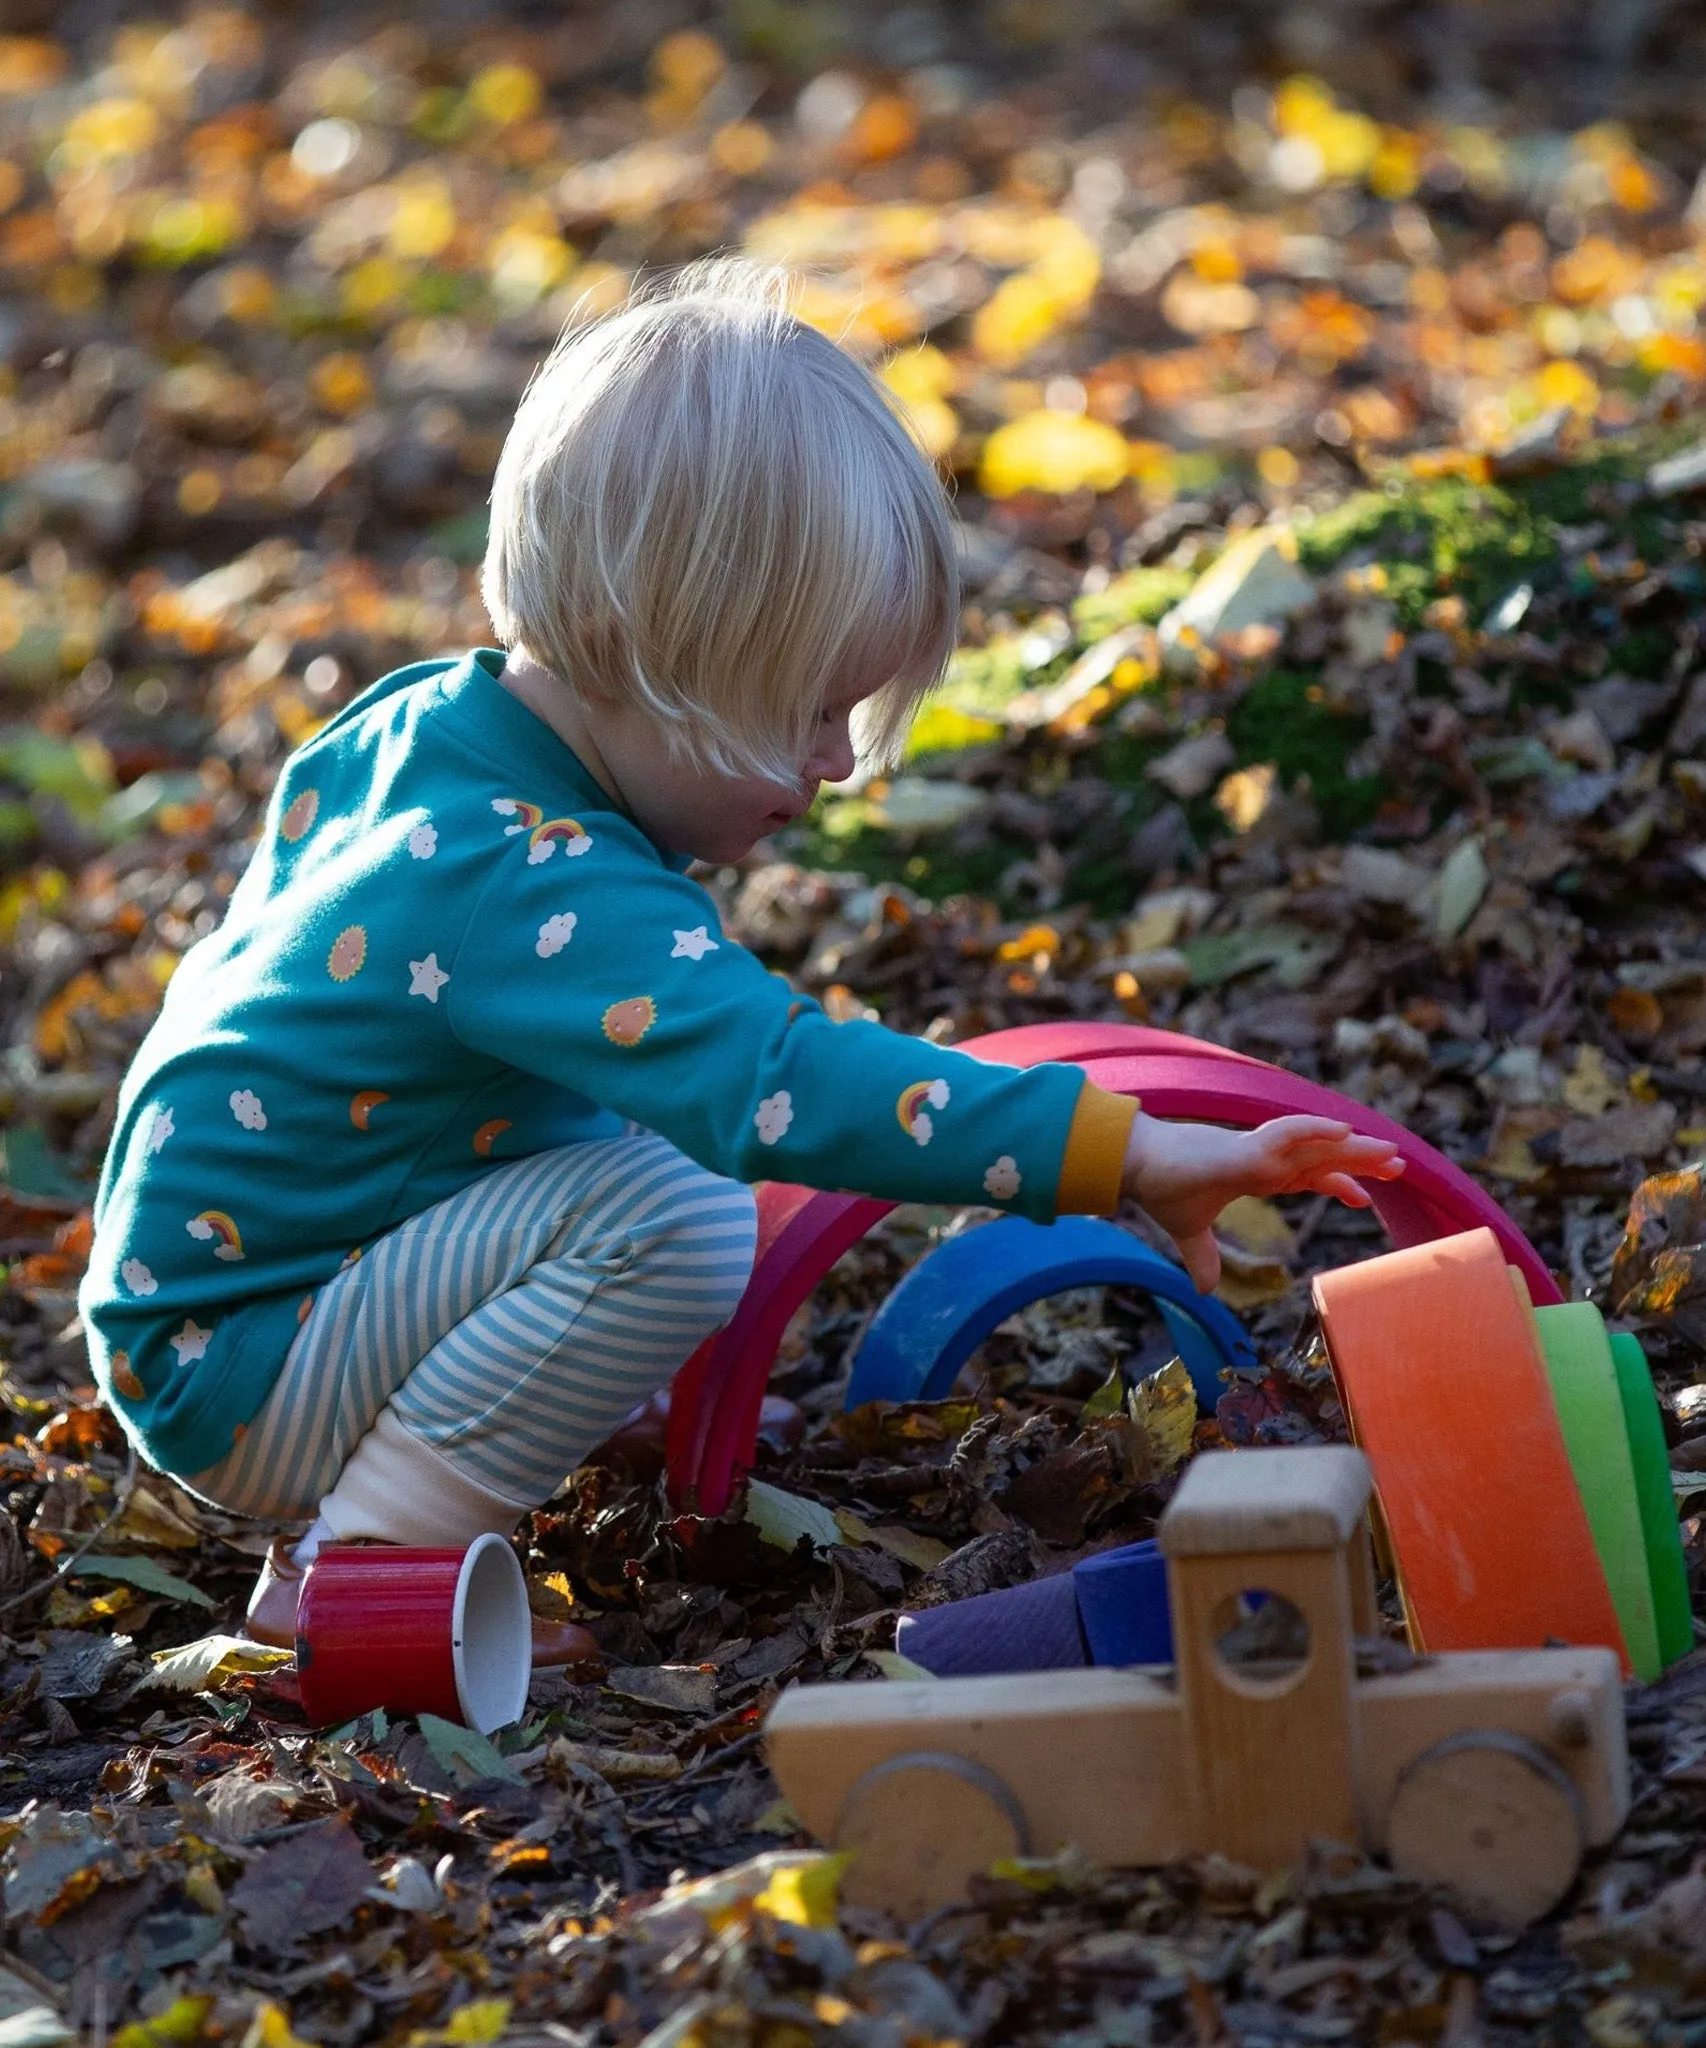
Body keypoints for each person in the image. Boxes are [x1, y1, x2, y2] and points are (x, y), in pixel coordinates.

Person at [78, 262, 1403, 1660]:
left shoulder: (433, 737)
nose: (833, 765)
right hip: (250, 1358)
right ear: (659, 663)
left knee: (657, 1171)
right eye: (804, 711)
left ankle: (484, 1420)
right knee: (683, 1215)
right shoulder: (529, 877)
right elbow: (773, 1083)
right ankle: (362, 1567)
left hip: (222, 1296)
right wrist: (1120, 1155)